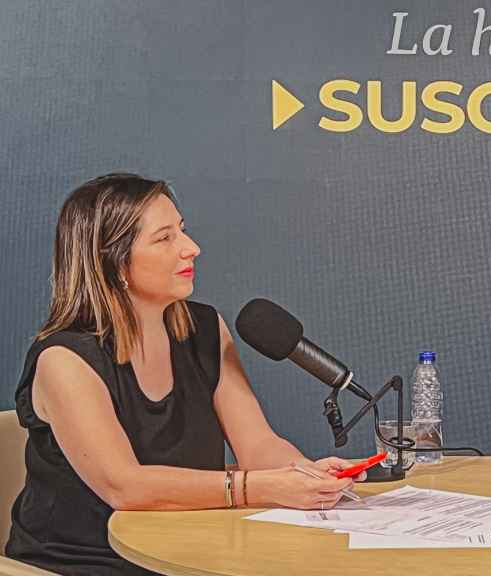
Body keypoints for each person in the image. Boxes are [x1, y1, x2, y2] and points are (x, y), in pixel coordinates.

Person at [6, 174, 362, 575]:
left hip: (190, 552)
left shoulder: (206, 329)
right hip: (83, 565)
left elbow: (258, 445)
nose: (191, 249)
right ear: (114, 261)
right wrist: (261, 487)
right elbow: (125, 487)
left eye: (183, 231)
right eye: (164, 239)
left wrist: (303, 476)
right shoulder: (65, 360)